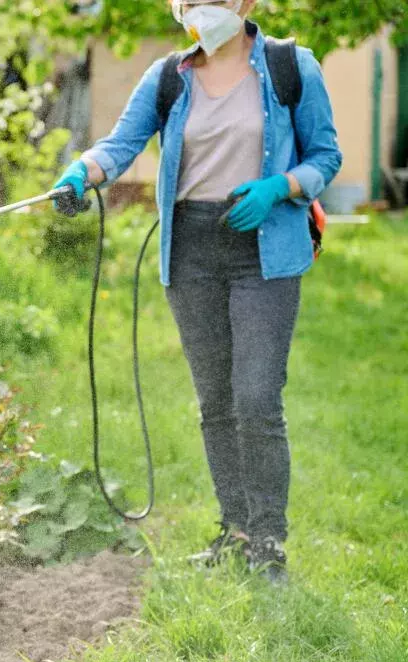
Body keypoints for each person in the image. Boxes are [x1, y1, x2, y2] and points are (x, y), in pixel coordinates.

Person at [53, 0, 342, 583]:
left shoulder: (291, 66)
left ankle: (269, 541)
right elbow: (121, 144)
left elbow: (326, 156)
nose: (204, 6)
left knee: (257, 398)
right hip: (191, 252)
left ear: (246, 3)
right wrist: (83, 171)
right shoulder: (168, 77)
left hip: (263, 247)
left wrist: (281, 186)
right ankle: (236, 531)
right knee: (216, 403)